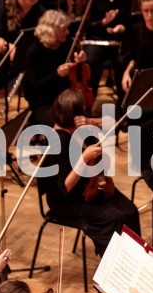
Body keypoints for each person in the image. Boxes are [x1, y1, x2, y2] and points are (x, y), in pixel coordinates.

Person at [38, 89, 141, 256]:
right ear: (74, 115)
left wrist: (91, 122)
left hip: (90, 188)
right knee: (115, 217)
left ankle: (132, 260)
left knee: (130, 210)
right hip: (67, 200)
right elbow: (65, 187)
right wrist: (84, 159)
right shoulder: (57, 141)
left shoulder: (80, 129)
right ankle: (112, 264)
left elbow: (114, 123)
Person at [83, 0, 137, 97]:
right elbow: (86, 25)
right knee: (91, 62)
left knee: (123, 62)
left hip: (120, 41)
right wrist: (103, 23)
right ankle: (88, 105)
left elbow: (132, 22)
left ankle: (123, 107)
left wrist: (122, 28)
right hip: (96, 39)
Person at [21, 9, 87, 127]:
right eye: (63, 29)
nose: (67, 32)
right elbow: (33, 88)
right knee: (67, 127)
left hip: (67, 102)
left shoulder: (66, 46)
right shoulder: (34, 52)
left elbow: (78, 77)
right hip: (44, 105)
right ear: (51, 31)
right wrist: (57, 75)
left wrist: (81, 62)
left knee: (87, 125)